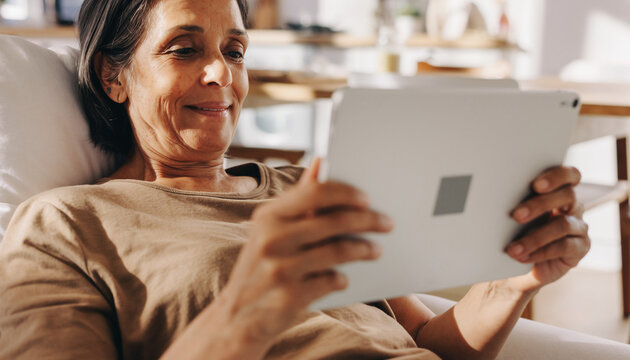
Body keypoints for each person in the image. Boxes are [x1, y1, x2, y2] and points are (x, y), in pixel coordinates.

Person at [0, 0, 590, 359]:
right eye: (184, 49)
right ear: (113, 76)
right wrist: (248, 312)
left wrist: (509, 283)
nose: (220, 74)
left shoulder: (297, 191)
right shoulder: (66, 224)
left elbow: (428, 345)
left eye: (234, 50)